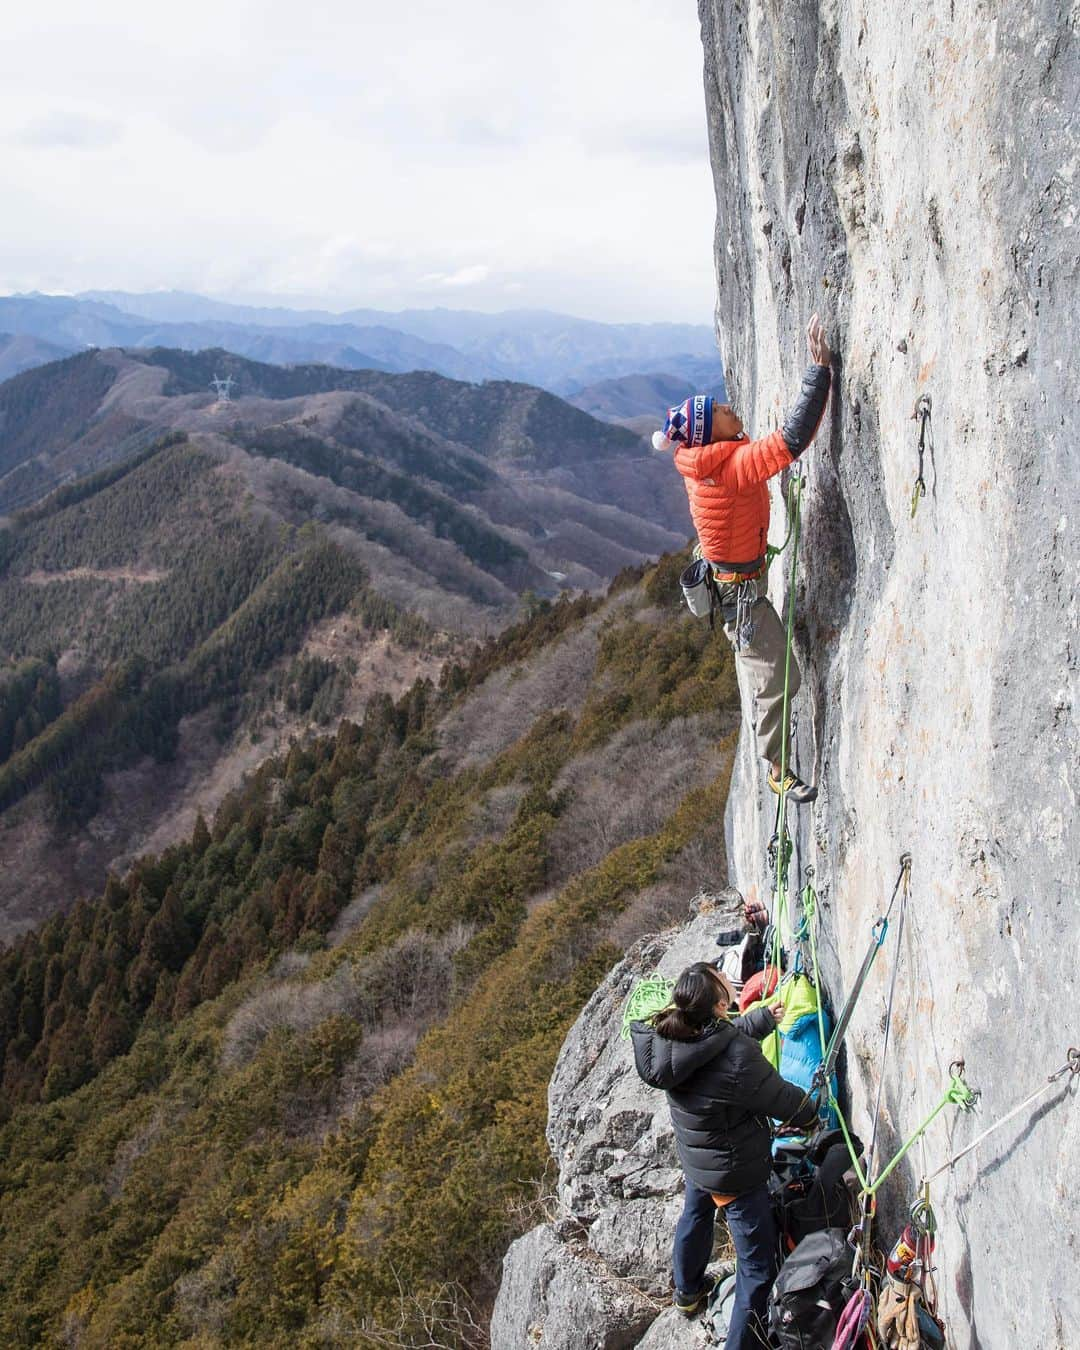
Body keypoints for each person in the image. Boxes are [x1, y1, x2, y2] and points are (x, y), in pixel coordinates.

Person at [652, 316, 832, 804]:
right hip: (741, 597)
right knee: (780, 675)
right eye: (726, 413)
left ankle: (774, 757)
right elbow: (790, 441)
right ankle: (776, 765)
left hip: (733, 582)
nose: (735, 412)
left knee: (775, 670)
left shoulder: (702, 465)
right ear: (713, 432)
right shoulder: (729, 466)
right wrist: (821, 372)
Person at [630, 961, 818, 1346]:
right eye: (720, 981)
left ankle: (688, 1292)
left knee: (696, 1215)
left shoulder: (669, 1034)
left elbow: (715, 1045)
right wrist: (811, 1114)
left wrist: (762, 1019)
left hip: (698, 1155)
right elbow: (780, 1098)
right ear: (718, 1005)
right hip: (734, 1171)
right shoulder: (736, 1057)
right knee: (756, 1267)